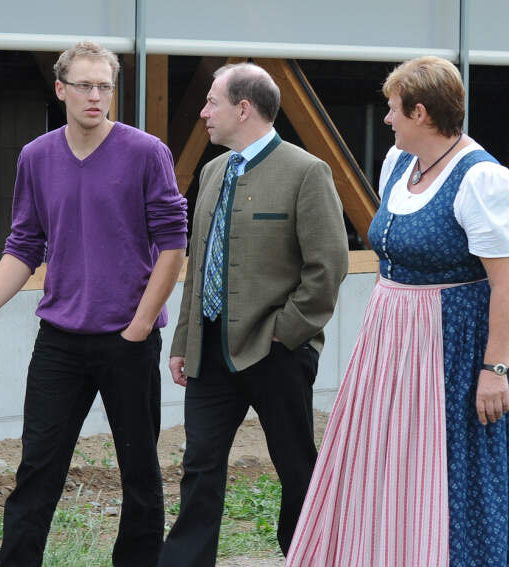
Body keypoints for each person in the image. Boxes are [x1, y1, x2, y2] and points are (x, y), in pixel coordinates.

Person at [285, 56, 509, 566]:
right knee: (384, 461)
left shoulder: (482, 179)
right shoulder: (399, 163)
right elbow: (391, 258)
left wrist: (494, 369)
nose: (387, 119)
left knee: (451, 468)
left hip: (455, 343)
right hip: (392, 339)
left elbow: (507, 282)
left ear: (421, 113)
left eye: (393, 109)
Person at [0, 41, 186, 566]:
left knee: (140, 472)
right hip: (59, 340)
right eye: (84, 85)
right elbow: (23, 246)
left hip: (128, 337)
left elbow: (174, 246)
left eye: (105, 85)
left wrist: (141, 326)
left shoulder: (146, 152)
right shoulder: (37, 157)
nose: (96, 96)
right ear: (61, 89)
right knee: (37, 467)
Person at [158, 63, 348, 566]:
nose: (203, 112)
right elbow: (199, 265)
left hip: (277, 352)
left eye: (211, 102)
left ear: (243, 109)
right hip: (210, 352)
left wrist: (284, 334)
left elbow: (327, 268)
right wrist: (183, 341)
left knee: (294, 465)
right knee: (198, 465)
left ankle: (307, 555)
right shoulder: (213, 171)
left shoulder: (307, 171)